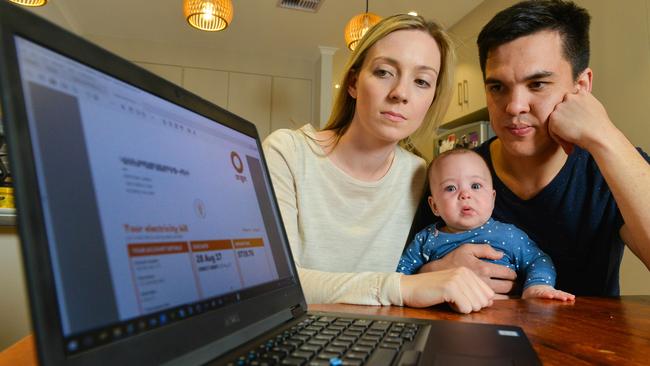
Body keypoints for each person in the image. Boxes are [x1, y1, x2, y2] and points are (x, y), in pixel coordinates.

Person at [263, 14, 495, 313]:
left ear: (431, 101)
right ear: (353, 83)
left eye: (421, 81)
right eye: (385, 72)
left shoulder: (421, 174)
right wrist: (401, 287)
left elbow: (427, 263)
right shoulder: (287, 153)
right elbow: (280, 284)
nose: (400, 93)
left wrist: (436, 269)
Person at [416, 0, 650, 296]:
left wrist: (604, 135)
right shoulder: (455, 175)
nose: (514, 107)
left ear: (581, 86)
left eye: (538, 84)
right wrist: (435, 271)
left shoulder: (610, 165)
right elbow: (404, 272)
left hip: (589, 340)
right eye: (497, 87)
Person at [398, 148, 574, 301]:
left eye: (475, 186)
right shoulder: (425, 239)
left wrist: (537, 286)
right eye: (451, 188)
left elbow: (538, 260)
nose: (465, 194)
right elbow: (400, 278)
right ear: (434, 205)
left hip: (502, 315)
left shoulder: (508, 235)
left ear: (492, 198)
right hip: (443, 319)